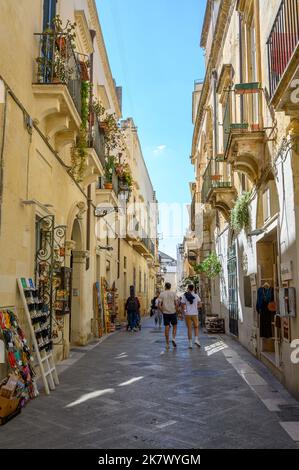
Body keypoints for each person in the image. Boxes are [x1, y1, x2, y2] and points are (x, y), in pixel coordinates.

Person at [158, 282, 178, 351]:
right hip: (173, 312)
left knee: (166, 327)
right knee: (175, 326)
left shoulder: (162, 294)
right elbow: (176, 303)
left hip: (165, 313)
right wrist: (176, 310)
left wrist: (162, 311)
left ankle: (167, 344)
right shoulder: (173, 293)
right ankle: (173, 338)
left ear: (165, 287)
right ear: (170, 287)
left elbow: (159, 305)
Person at [181, 284, 202, 349]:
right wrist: (196, 307)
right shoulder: (196, 296)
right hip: (195, 314)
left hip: (188, 314)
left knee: (189, 328)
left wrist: (184, 311)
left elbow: (182, 305)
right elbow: (200, 305)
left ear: (188, 288)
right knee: (196, 327)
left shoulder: (185, 296)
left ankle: (190, 344)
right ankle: (196, 340)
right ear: (193, 289)